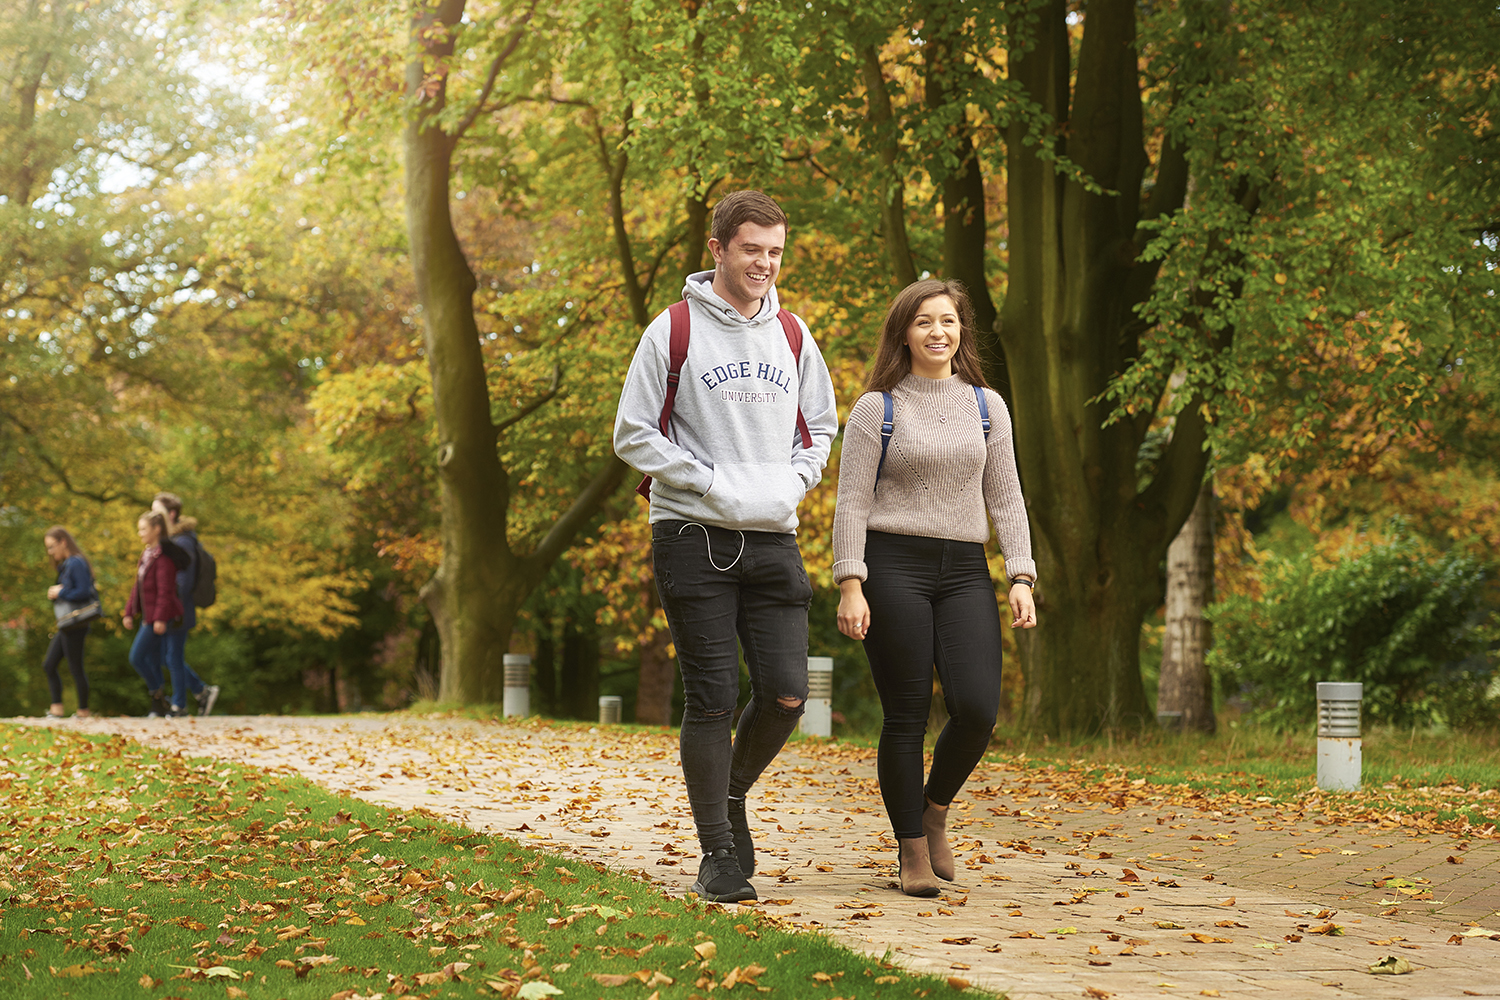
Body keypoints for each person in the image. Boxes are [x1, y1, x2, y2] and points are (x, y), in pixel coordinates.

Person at [613, 190, 838, 903]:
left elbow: (822, 427)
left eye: (775, 252)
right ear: (717, 249)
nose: (765, 264)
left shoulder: (795, 336)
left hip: (773, 533)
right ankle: (716, 853)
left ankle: (730, 796)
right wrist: (710, 480)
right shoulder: (672, 331)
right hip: (690, 533)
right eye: (751, 250)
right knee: (710, 697)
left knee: (786, 693)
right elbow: (633, 433)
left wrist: (789, 485)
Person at [830, 279, 1038, 897]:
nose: (937, 333)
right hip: (892, 565)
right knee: (907, 714)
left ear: (961, 332)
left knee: (977, 708)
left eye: (948, 321)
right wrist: (850, 581)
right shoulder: (876, 409)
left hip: (965, 567)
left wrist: (1021, 575)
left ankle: (934, 808)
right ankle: (912, 852)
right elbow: (851, 504)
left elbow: (1006, 493)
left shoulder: (986, 406)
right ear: (904, 332)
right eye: (923, 322)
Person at [151, 492, 219, 717]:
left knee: (172, 656)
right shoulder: (173, 539)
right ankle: (201, 691)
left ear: (170, 514)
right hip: (172, 607)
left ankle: (180, 704)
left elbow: (184, 580)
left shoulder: (183, 541)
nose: (153, 516)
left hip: (178, 609)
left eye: (156, 511)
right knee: (166, 656)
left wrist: (169, 605)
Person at [123, 510, 184, 719]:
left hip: (159, 618)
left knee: (137, 657)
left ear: (156, 529)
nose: (139, 533)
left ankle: (161, 698)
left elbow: (165, 591)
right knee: (153, 659)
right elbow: (137, 587)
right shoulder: (146, 554)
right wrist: (129, 612)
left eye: (143, 529)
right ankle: (159, 703)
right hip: (148, 617)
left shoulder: (163, 558)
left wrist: (159, 618)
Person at [42, 527, 97, 719]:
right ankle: (57, 708)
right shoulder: (66, 564)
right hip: (67, 623)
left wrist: (60, 592)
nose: (50, 552)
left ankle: (83, 710)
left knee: (75, 667)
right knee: (49, 664)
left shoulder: (76, 563)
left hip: (76, 623)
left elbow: (83, 591)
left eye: (51, 547)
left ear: (63, 541)